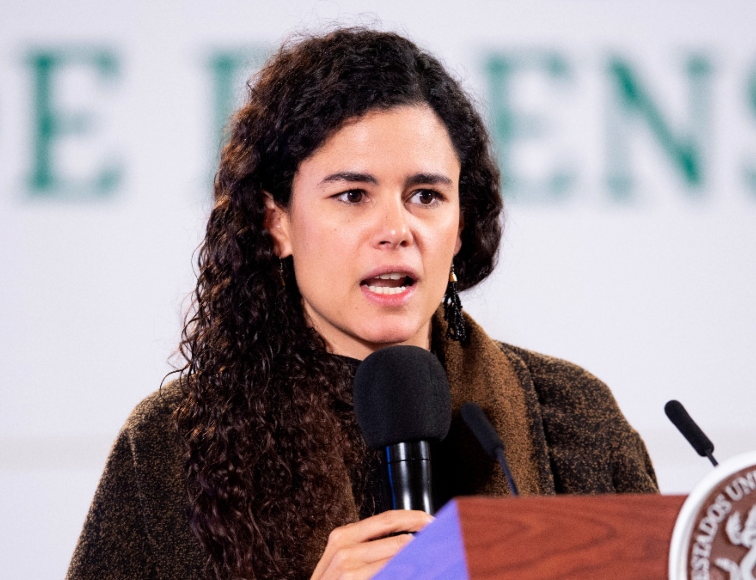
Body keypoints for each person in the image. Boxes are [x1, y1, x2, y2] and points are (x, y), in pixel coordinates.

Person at [67, 28, 657, 580]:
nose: (396, 229)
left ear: (459, 225)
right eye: (352, 195)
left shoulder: (573, 418)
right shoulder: (173, 447)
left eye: (425, 195)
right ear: (278, 223)